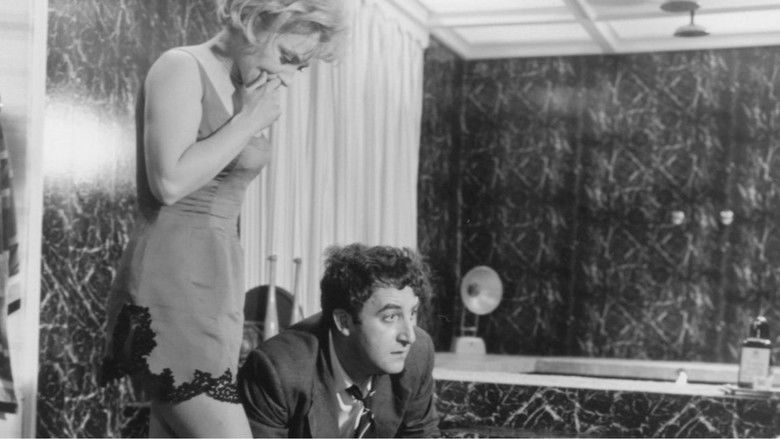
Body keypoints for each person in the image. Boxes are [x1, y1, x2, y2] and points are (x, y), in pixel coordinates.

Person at [99, 0, 346, 436]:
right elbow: (168, 182)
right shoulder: (180, 67)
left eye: (300, 67)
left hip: (215, 282)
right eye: (287, 57)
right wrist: (248, 120)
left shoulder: (245, 87)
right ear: (255, 20)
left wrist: (247, 114)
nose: (288, 77)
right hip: (171, 282)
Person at [238, 243, 441, 438]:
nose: (409, 336)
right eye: (390, 317)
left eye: (412, 313)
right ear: (344, 322)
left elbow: (421, 435)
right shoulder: (277, 371)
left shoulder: (417, 354)